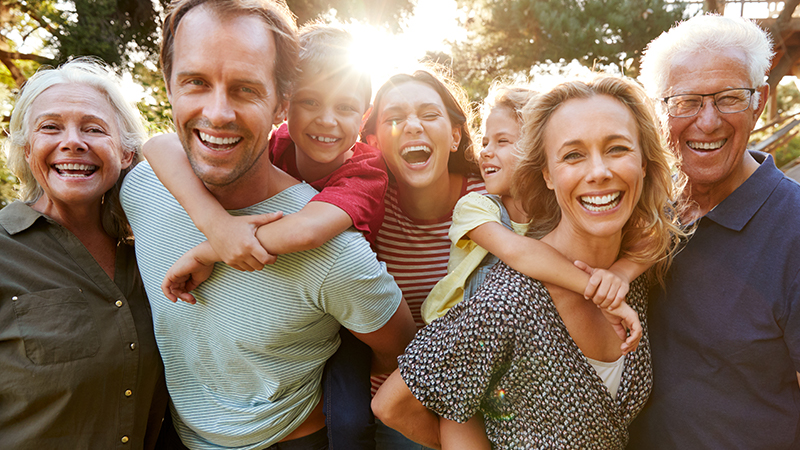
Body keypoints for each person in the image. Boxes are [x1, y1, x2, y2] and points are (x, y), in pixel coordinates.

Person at [120, 1, 416, 449]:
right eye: (196, 82)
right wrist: (216, 225)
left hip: (294, 432)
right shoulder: (140, 188)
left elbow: (308, 233)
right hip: (177, 431)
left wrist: (211, 248)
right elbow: (157, 145)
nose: (218, 114)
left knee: (352, 418)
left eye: (244, 89)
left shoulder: (348, 211)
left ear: (278, 102)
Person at [373, 76, 686, 449]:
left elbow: (663, 226)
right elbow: (393, 405)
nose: (599, 171)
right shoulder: (510, 302)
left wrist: (622, 272)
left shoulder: (633, 272)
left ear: (645, 163)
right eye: (573, 155)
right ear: (547, 175)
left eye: (617, 148)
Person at [627, 14, 800, 449]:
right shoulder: (641, 211)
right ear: (659, 109)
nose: (707, 122)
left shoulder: (794, 227)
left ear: (759, 101)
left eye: (728, 98)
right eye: (686, 101)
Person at [0, 58, 167, 449]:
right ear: (27, 149)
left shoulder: (152, 250)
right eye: (50, 127)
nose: (73, 141)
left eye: (93, 129)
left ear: (126, 154)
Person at [421, 83, 644, 349]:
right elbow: (520, 253)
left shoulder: (559, 210)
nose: (486, 152)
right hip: (457, 339)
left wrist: (621, 273)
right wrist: (600, 292)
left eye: (502, 141)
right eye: (484, 142)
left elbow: (654, 235)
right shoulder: (475, 207)